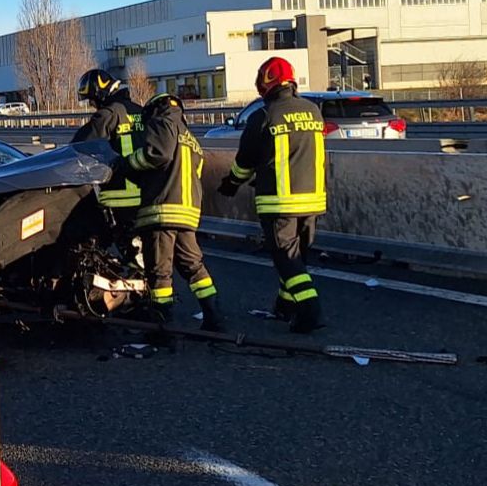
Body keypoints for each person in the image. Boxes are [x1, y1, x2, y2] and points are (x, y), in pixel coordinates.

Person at [218, 56, 327, 333]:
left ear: (266, 82)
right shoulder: (313, 111)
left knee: (286, 260)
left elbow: (245, 162)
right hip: (313, 200)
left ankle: (310, 311)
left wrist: (231, 183)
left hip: (280, 203)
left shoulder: (264, 116)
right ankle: (286, 306)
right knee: (297, 258)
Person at [123, 92, 225, 331]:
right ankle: (214, 317)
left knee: (160, 273)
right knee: (193, 265)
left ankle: (162, 328)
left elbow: (158, 155)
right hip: (187, 213)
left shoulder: (161, 123)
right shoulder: (190, 138)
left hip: (162, 211)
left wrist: (126, 164)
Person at [71, 68, 144, 220]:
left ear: (100, 95)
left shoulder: (107, 115)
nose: (92, 105)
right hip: (146, 195)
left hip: (120, 197)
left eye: (91, 100)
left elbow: (78, 146)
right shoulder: (141, 112)